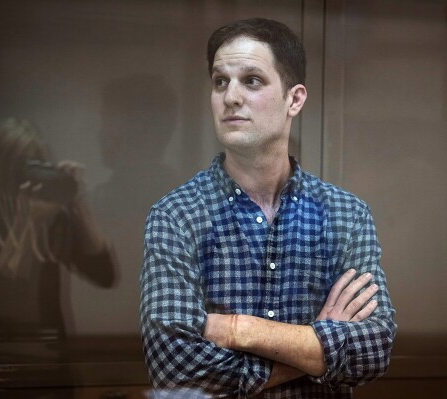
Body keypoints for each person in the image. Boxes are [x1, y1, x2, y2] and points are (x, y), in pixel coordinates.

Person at [140, 18, 396, 398]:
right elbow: (174, 366)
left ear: (294, 99)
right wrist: (314, 343)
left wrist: (238, 330)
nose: (230, 97)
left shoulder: (346, 215)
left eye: (252, 80)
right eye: (220, 81)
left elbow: (374, 348)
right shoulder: (176, 216)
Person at [0, 117, 116, 344]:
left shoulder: (52, 217)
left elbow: (104, 275)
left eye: (39, 165)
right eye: (24, 166)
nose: (29, 176)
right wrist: (27, 221)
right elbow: (4, 293)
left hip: (51, 351)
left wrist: (78, 199)